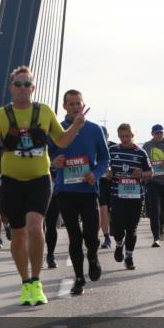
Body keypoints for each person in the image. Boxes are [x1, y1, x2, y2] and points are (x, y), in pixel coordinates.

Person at [0, 65, 88, 306]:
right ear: (11, 88)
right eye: (18, 84)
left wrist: (76, 125)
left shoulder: (44, 112)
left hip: (39, 180)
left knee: (35, 227)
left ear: (33, 88)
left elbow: (62, 140)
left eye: (27, 84)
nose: (23, 88)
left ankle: (36, 281)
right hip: (12, 182)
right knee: (18, 234)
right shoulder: (0, 115)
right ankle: (25, 283)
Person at [50, 89, 110, 295]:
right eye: (71, 104)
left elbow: (105, 157)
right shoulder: (57, 129)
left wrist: (96, 172)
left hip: (88, 189)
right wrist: (53, 162)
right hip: (65, 190)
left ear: (83, 105)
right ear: (64, 106)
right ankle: (78, 278)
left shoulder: (94, 130)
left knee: (91, 234)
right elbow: (47, 155)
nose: (76, 107)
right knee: (74, 236)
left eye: (79, 103)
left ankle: (93, 257)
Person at [109, 123, 152, 270]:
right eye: (121, 137)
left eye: (127, 136)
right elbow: (106, 168)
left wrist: (141, 174)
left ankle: (129, 256)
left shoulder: (141, 153)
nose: (124, 139)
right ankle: (119, 244)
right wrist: (108, 173)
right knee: (119, 227)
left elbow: (150, 173)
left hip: (135, 196)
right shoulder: (113, 151)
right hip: (117, 195)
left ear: (133, 136)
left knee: (132, 228)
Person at [142, 124, 164, 246]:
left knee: (163, 209)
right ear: (152, 134)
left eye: (161, 133)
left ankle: (161, 225)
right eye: (156, 133)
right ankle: (155, 237)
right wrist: (144, 174)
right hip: (152, 182)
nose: (159, 135)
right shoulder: (147, 146)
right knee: (155, 208)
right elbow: (142, 162)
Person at [98, 126, 114, 249]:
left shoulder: (114, 147)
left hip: (114, 184)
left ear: (108, 135)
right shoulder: (92, 146)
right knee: (103, 210)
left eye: (105, 136)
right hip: (99, 183)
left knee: (112, 212)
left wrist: (112, 172)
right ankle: (107, 237)